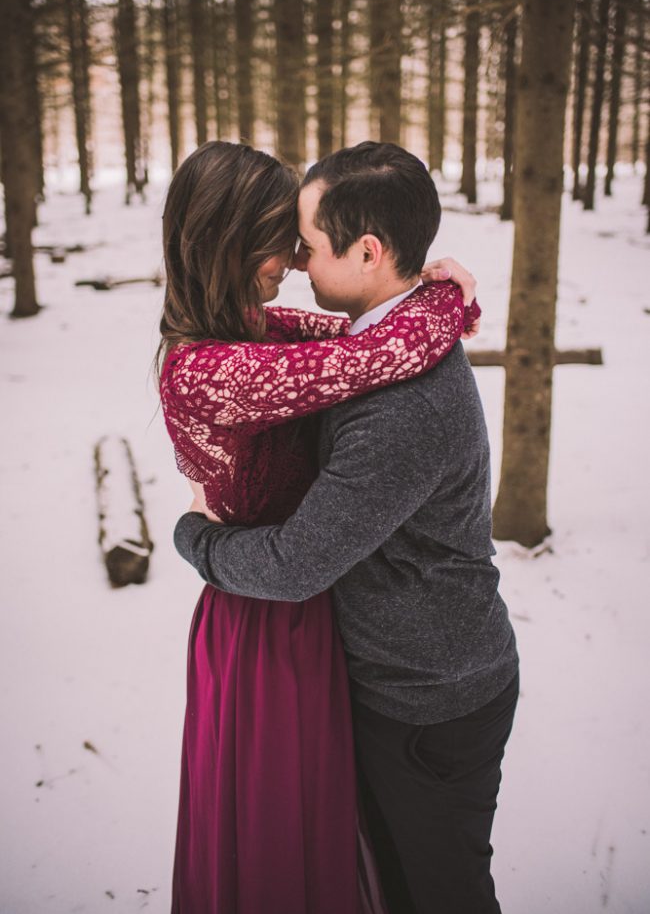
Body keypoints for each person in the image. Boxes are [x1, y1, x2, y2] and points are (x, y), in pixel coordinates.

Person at [174, 141, 519, 914]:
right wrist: (441, 298)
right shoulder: (374, 343)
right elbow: (325, 358)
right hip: (394, 676)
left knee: (441, 893)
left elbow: (299, 564)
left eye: (310, 243)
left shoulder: (402, 404)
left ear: (367, 252)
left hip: (429, 695)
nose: (296, 260)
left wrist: (197, 540)